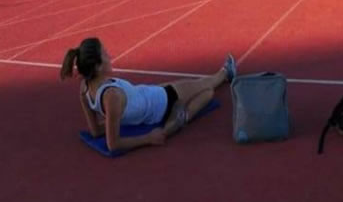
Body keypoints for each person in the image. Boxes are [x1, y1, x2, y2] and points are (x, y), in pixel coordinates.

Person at [60, 37, 236, 152]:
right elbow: (113, 145)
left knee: (202, 91)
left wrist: (112, 121)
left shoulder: (84, 88)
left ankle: (182, 113)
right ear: (98, 67)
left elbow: (95, 131)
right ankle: (225, 73)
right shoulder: (111, 96)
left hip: (149, 94)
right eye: (105, 53)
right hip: (161, 103)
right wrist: (147, 138)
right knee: (206, 88)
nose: (109, 55)